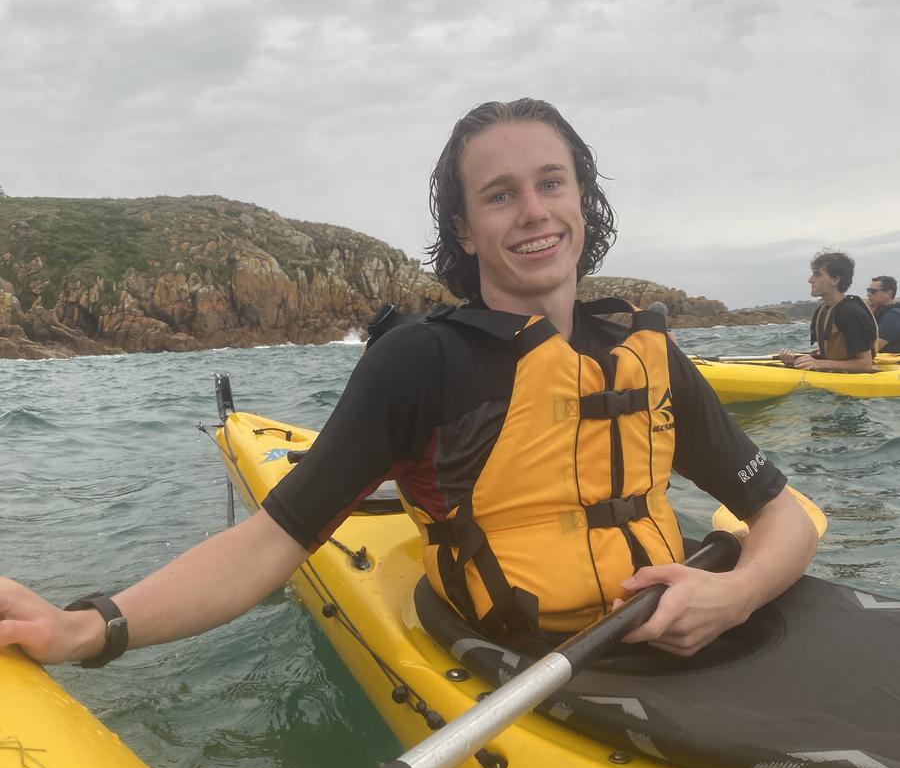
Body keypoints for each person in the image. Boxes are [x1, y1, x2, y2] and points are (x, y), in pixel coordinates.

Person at [0, 98, 817, 666]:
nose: (533, 211)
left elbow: (784, 515)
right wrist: (89, 628)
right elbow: (270, 544)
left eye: (551, 182)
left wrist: (735, 596)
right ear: (464, 228)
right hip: (518, 661)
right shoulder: (422, 360)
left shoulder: (646, 352)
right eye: (499, 196)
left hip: (681, 636)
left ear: (582, 198)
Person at [777, 251, 876, 373]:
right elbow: (830, 354)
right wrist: (794, 361)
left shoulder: (849, 312)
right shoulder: (823, 311)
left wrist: (820, 363)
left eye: (817, 274)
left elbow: (865, 364)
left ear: (835, 280)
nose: (810, 280)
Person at [866, 275, 900, 354]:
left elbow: (873, 349)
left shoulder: (893, 315)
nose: (868, 294)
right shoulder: (880, 313)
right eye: (868, 291)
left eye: (873, 291)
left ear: (888, 293)